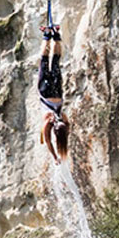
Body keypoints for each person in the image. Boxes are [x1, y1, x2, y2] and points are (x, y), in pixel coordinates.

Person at [37, 23, 70, 163]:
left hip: (58, 95)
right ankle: (46, 35)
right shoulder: (47, 124)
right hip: (45, 94)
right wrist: (55, 157)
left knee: (55, 61)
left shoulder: (65, 121)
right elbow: (48, 142)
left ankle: (55, 34)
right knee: (44, 61)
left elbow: (59, 133)